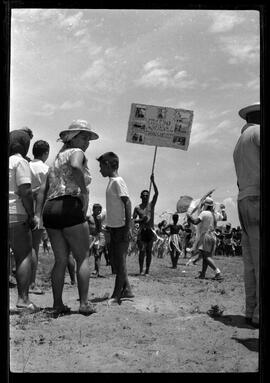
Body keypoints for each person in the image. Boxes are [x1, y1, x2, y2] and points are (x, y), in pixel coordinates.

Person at [35, 119, 99, 315]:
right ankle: (84, 303)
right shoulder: (76, 153)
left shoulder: (56, 159)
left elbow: (44, 188)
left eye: (89, 138)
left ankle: (57, 303)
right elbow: (76, 167)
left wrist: (39, 213)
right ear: (73, 138)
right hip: (69, 205)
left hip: (51, 208)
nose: (87, 142)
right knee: (82, 258)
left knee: (61, 259)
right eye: (84, 137)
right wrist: (84, 191)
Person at [233, 103, 260, 328]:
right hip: (258, 197)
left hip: (244, 198)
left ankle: (251, 309)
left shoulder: (239, 143)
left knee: (251, 260)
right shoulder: (258, 133)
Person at [97, 151, 134, 305]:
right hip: (114, 227)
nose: (100, 170)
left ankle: (116, 295)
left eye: (101, 166)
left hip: (121, 227)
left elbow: (127, 203)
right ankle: (127, 290)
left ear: (107, 164)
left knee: (120, 262)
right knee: (117, 261)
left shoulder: (118, 181)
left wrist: (127, 227)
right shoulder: (112, 181)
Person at [9, 127, 39, 311]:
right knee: (23, 256)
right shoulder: (20, 162)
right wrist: (31, 214)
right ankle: (23, 299)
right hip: (16, 214)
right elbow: (25, 191)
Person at [186, 197, 227, 280]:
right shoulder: (215, 214)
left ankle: (218, 273)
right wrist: (223, 209)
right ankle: (203, 274)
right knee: (206, 256)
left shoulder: (204, 213)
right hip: (213, 237)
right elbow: (225, 218)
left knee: (206, 256)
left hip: (205, 236)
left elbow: (195, 222)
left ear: (205, 205)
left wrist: (189, 216)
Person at [29, 140, 50, 294]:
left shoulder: (26, 165)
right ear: (46, 153)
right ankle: (31, 283)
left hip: (23, 209)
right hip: (39, 211)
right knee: (34, 248)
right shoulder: (46, 169)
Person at [133, 174, 159, 275]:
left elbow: (156, 193)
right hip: (142, 231)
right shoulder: (137, 208)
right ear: (140, 197)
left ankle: (147, 270)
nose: (145, 196)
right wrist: (141, 220)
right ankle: (141, 270)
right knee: (142, 251)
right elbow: (133, 220)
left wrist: (153, 181)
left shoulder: (151, 205)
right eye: (143, 195)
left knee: (148, 251)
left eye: (146, 195)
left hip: (150, 231)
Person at [87, 203, 107, 277]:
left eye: (100, 210)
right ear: (93, 210)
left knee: (98, 254)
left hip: (97, 237)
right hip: (89, 237)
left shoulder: (99, 218)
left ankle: (97, 271)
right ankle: (84, 270)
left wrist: (97, 238)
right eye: (97, 210)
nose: (99, 212)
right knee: (87, 254)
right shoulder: (89, 217)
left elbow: (99, 229)